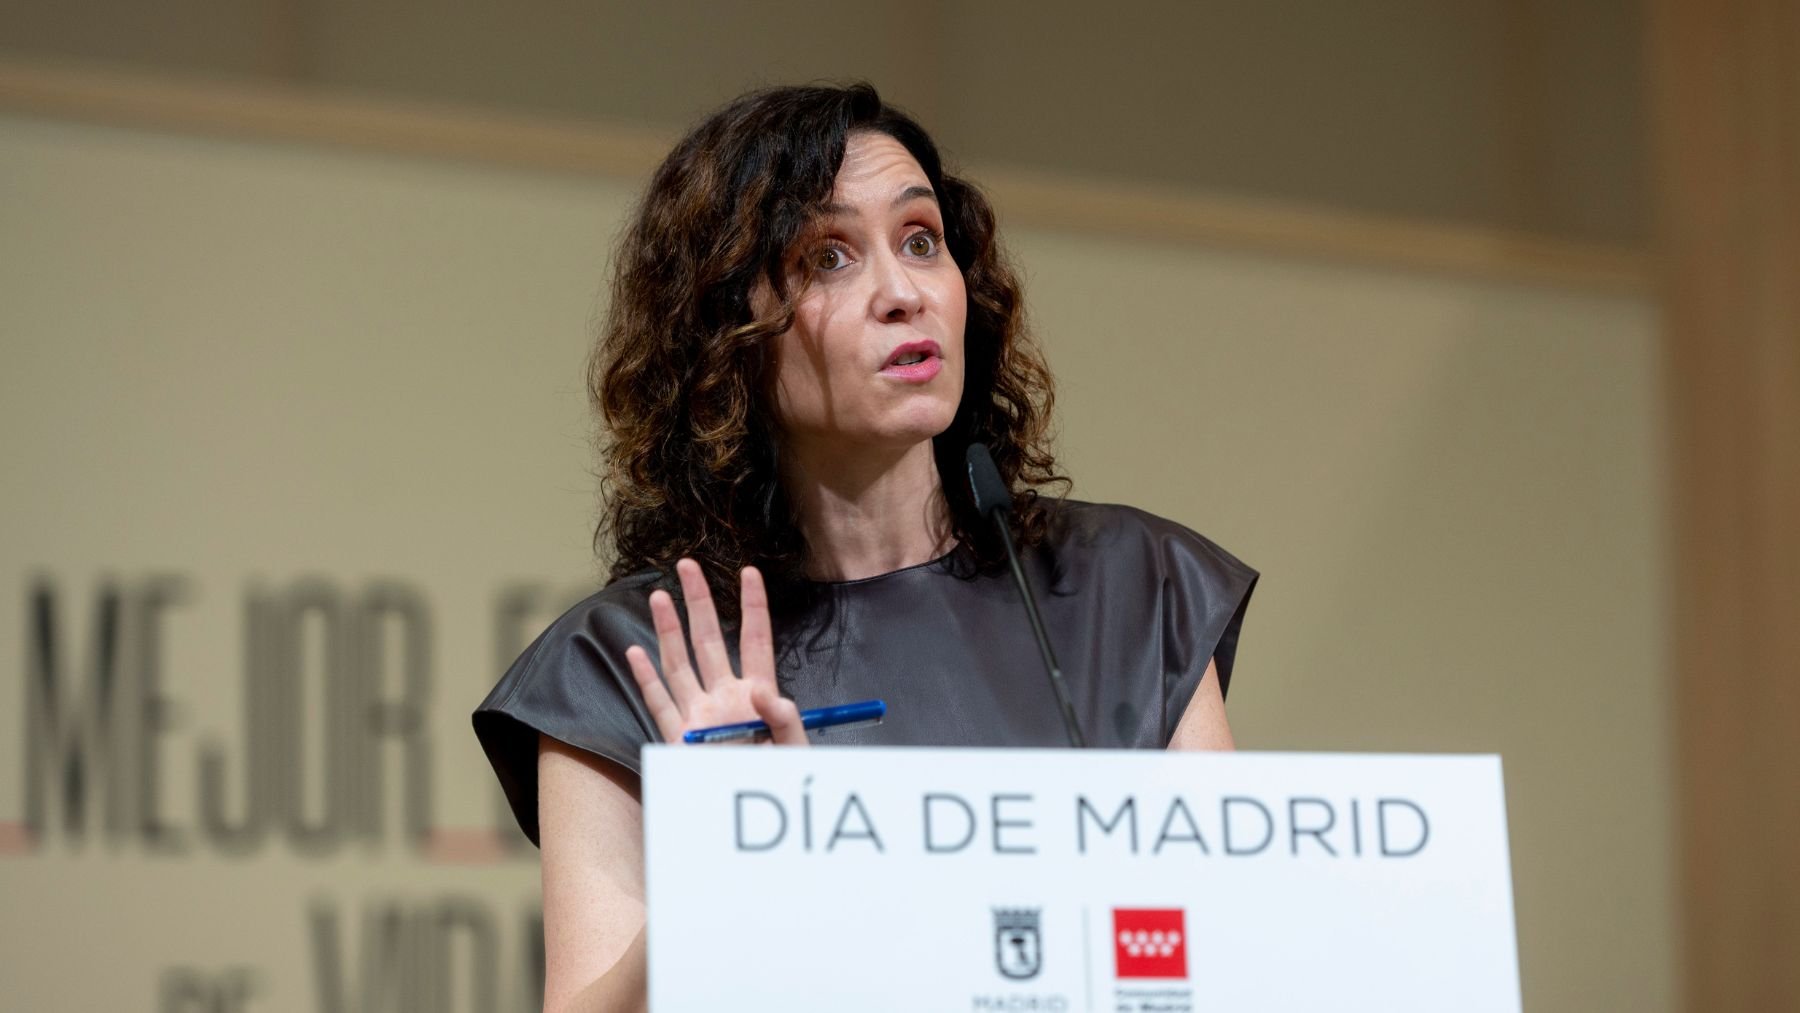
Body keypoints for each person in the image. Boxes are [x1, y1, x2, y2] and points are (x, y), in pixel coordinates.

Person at [471, 82, 1257, 1012]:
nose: (902, 292)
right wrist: (717, 868)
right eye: (830, 257)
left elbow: (1236, 957)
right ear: (728, 332)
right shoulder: (630, 663)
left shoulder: (1131, 590)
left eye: (921, 240)